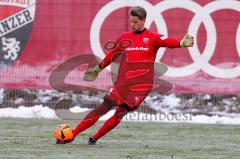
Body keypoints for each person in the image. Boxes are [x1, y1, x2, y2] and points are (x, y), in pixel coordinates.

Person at [58, 6, 194, 145]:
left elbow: (168, 42)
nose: (132, 24)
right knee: (103, 107)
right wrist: (99, 68)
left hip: (141, 87)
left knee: (120, 113)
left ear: (143, 21)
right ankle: (72, 134)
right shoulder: (125, 37)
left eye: (135, 22)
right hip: (123, 83)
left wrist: (181, 43)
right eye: (131, 21)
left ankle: (95, 138)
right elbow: (113, 55)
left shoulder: (153, 38)